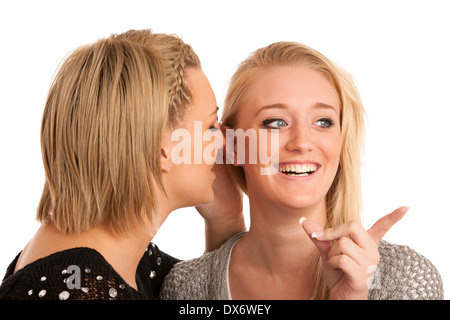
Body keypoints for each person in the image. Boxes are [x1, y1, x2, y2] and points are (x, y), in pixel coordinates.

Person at [160, 41, 444, 300]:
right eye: (275, 122)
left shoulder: (403, 279)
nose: (302, 143)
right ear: (232, 144)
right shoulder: (185, 287)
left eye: (323, 122)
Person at [0, 29, 244, 300]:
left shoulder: (116, 260)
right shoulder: (77, 288)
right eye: (210, 126)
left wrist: (225, 220)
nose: (223, 142)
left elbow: (202, 292)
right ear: (163, 149)